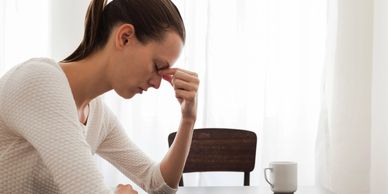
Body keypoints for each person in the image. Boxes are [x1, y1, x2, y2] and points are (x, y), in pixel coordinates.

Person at [0, 0, 199, 193]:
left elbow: (159, 186)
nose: (157, 84)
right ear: (125, 37)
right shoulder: (40, 80)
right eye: (157, 67)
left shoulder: (97, 116)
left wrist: (188, 119)